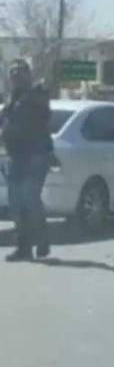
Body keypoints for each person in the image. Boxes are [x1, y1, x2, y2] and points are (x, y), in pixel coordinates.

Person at [1, 59, 53, 261]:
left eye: (19, 73)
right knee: (16, 202)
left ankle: (42, 239)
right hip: (17, 155)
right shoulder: (13, 98)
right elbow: (6, 120)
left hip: (36, 154)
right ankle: (24, 247)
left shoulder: (36, 96)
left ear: (27, 75)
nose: (15, 77)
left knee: (29, 197)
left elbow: (30, 121)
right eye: (12, 73)